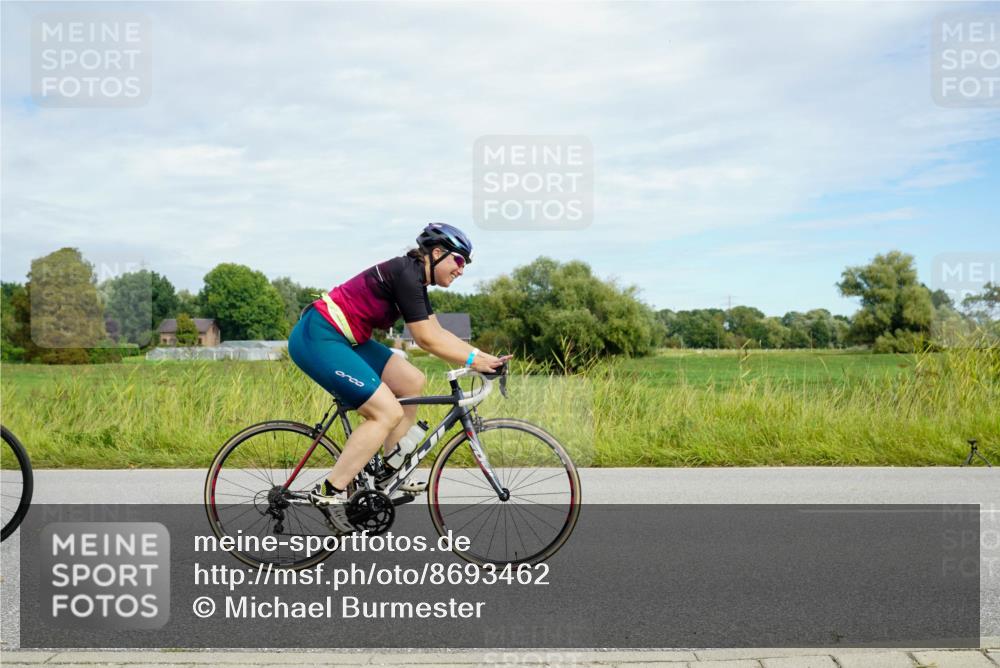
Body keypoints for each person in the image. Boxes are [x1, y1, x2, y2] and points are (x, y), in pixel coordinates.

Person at [287, 223, 510, 533]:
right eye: (458, 261)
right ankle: (330, 491)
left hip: (347, 338)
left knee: (411, 381)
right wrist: (476, 360)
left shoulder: (415, 279)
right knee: (385, 412)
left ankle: (387, 471)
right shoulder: (407, 274)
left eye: (465, 265)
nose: (461, 270)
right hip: (319, 336)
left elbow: (437, 332)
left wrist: (482, 357)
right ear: (436, 253)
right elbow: (425, 340)